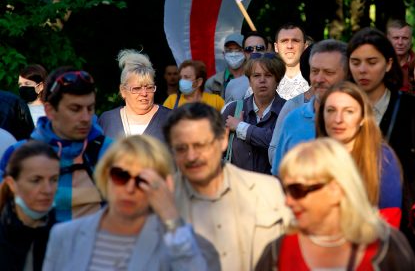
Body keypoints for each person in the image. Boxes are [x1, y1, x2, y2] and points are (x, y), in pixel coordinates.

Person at [347, 27, 415, 265]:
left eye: (372, 61)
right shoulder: (340, 107)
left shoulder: (412, 108)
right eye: (355, 62)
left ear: (389, 63)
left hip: (405, 229)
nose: (362, 69)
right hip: (351, 225)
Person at [42, 134, 207, 270]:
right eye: (120, 175)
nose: (129, 188)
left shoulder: (176, 240)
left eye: (142, 180)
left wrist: (170, 215)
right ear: (105, 175)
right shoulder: (64, 235)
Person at [255, 139, 415, 270]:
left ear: (336, 189)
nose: (288, 201)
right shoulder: (277, 251)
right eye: (286, 190)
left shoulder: (387, 246)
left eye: (297, 190)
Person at [165, 103, 288, 271]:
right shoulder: (161, 201)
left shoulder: (267, 192)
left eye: (200, 145)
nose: (191, 156)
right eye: (181, 148)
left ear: (223, 139)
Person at [1, 68, 113, 222]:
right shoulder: (18, 154)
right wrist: (94, 194)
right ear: (50, 110)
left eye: (90, 108)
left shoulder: (113, 153)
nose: (86, 118)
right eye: (75, 109)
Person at [316, 81, 403, 221]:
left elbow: (390, 218)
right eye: (331, 110)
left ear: (363, 118)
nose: (338, 119)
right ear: (322, 115)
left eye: (349, 111)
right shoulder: (311, 156)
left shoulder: (382, 157)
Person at [270, 39, 348, 173]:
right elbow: (278, 175)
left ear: (347, 75)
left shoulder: (361, 120)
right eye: (315, 71)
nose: (319, 79)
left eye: (328, 72)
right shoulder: (293, 119)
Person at [0, 141, 59, 271]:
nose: (47, 190)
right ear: (11, 183)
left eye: (54, 179)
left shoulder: (67, 239)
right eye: (36, 180)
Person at [222, 53, 286, 174]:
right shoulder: (233, 109)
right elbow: (216, 150)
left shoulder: (288, 110)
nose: (262, 80)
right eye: (256, 76)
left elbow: (275, 143)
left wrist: (240, 127)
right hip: (239, 188)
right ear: (250, 81)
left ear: (277, 80)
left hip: (274, 189)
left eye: (268, 75)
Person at [99, 49, 171, 142]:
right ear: (123, 91)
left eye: (149, 87)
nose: (144, 93)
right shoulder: (107, 120)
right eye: (137, 88)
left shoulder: (170, 118)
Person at [223, 31, 269, 103]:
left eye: (259, 48)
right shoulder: (232, 85)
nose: (254, 53)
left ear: (267, 51)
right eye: (249, 49)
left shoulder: (280, 82)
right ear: (244, 53)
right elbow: (230, 113)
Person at [273, 23, 310, 100]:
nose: (289, 46)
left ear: (305, 47)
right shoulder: (264, 79)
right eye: (284, 41)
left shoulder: (315, 79)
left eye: (295, 41)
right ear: (276, 47)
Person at [205, 33, 247, 98]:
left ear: (245, 52)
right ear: (224, 54)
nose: (233, 54)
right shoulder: (212, 83)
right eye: (230, 50)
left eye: (238, 49)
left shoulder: (254, 78)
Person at [386, 18, 415, 92]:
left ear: (411, 40)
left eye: (405, 38)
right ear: (387, 39)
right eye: (396, 38)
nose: (400, 42)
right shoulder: (380, 64)